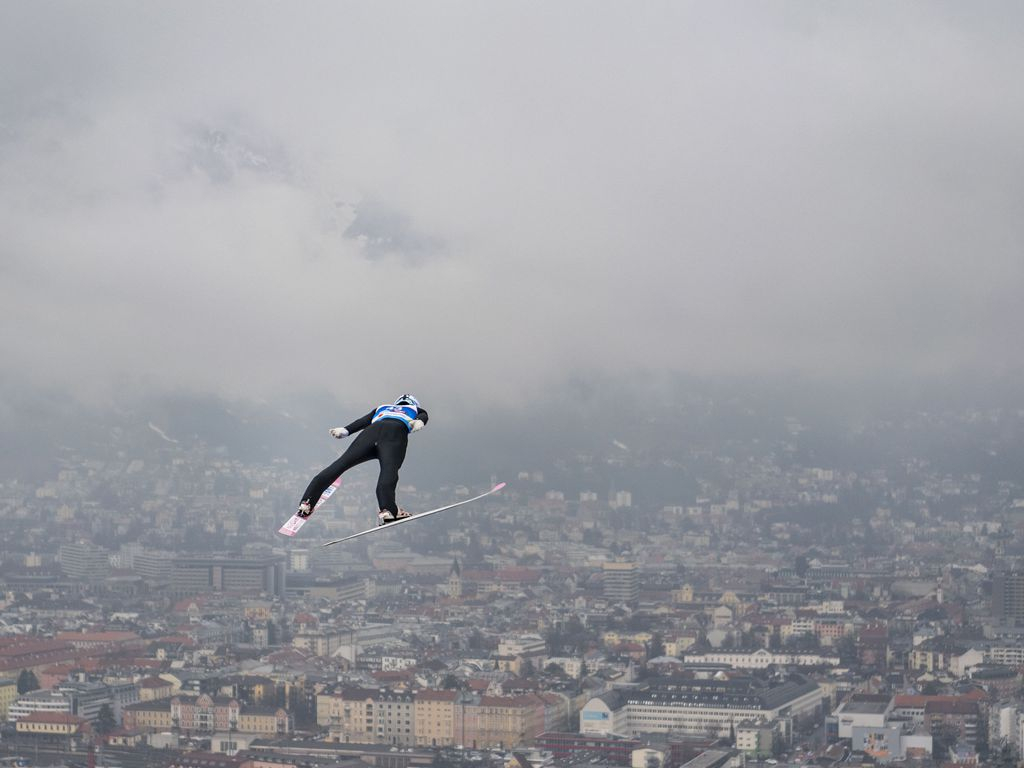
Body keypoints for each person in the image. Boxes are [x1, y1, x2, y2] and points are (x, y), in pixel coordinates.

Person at [297, 394, 429, 526]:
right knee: (389, 471)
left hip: (370, 433)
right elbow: (423, 416)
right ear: (414, 403)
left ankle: (307, 502)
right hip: (395, 433)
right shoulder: (416, 409)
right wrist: (420, 421)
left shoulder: (382, 407)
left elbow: (362, 421)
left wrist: (345, 430)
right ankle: (388, 509)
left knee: (341, 464)